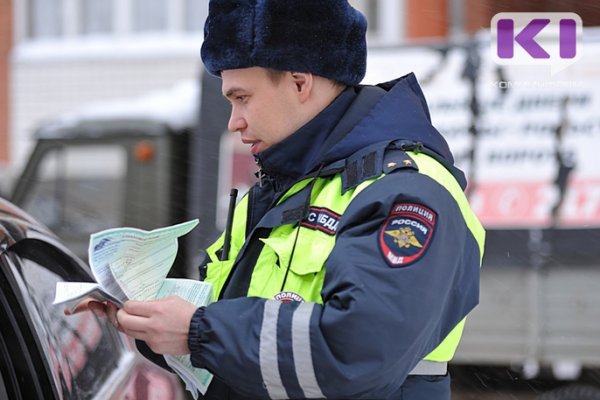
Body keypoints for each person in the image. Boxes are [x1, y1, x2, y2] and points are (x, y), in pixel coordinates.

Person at [75, 0, 485, 398]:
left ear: (299, 82)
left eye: (242, 98)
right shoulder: (283, 189)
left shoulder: (406, 191)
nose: (235, 121)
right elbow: (249, 349)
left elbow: (357, 352)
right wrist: (154, 321)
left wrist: (199, 331)